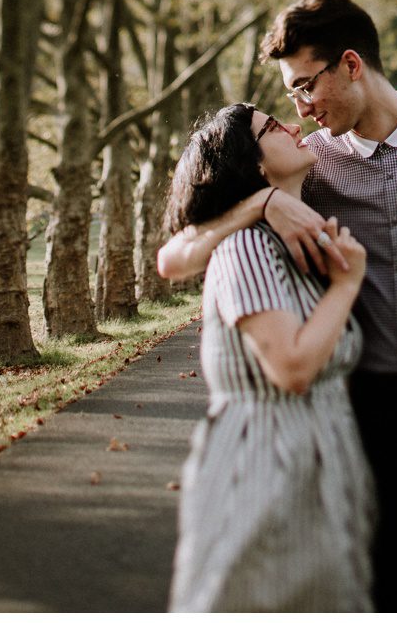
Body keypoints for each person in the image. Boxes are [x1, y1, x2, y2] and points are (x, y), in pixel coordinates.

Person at [159, 0, 397, 611]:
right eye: (290, 95)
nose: (300, 109)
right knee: (378, 589)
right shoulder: (309, 166)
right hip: (360, 413)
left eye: (305, 86)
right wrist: (262, 202)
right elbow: (174, 259)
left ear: (352, 64)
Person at [163, 102, 374, 612]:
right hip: (265, 465)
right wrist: (347, 284)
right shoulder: (248, 249)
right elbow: (292, 368)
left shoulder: (297, 240)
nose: (295, 124)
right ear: (253, 163)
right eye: (273, 127)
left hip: (324, 459)